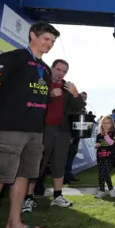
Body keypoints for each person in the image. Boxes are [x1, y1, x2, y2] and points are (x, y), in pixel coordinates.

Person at [0, 22, 59, 228]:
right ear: (32, 35)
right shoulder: (12, 58)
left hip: (35, 131)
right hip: (10, 128)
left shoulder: (45, 69)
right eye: (46, 39)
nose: (49, 44)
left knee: (23, 177)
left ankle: (14, 224)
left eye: (53, 41)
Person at [24, 59, 85, 212]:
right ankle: (28, 198)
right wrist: (50, 95)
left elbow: (79, 108)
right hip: (43, 130)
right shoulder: (41, 82)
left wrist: (76, 95)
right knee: (37, 163)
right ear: (51, 68)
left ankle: (57, 196)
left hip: (63, 131)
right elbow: (30, 102)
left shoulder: (67, 88)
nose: (61, 73)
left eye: (64, 71)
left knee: (60, 163)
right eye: (58, 69)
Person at [94, 115, 115, 198]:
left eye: (108, 123)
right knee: (101, 174)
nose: (106, 125)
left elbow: (111, 143)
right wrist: (97, 145)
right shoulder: (99, 135)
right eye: (104, 123)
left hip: (109, 157)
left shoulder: (114, 133)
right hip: (100, 156)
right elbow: (98, 144)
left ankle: (111, 189)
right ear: (101, 124)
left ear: (111, 124)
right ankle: (101, 190)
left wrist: (105, 134)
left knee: (105, 173)